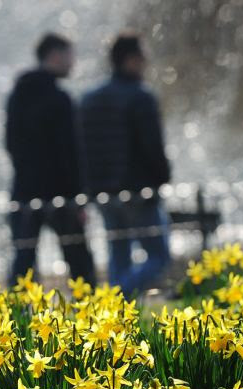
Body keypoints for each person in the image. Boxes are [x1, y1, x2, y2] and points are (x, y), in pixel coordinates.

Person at [80, 32, 172, 295]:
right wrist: (161, 178)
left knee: (118, 254)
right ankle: (116, 299)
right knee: (159, 255)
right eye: (143, 57)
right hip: (138, 191)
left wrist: (90, 188)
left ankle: (117, 320)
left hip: (103, 192)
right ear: (130, 60)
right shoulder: (141, 97)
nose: (146, 63)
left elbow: (82, 150)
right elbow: (152, 147)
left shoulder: (89, 100)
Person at [5, 33, 96, 286]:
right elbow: (71, 153)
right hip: (61, 195)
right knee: (79, 263)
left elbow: (11, 144)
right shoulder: (60, 99)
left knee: (23, 263)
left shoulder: (17, 96)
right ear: (54, 55)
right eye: (69, 56)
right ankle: (91, 315)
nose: (72, 63)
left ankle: (14, 319)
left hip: (25, 191)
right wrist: (79, 197)